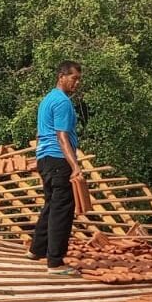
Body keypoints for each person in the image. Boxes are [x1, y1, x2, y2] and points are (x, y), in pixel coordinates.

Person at [28, 61, 92, 275]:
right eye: (74, 78)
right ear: (61, 76)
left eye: (79, 79)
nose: (77, 83)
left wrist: (38, 160)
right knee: (62, 209)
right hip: (58, 158)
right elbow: (62, 136)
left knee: (51, 204)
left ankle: (37, 249)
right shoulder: (63, 103)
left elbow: (39, 135)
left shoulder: (47, 100)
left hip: (45, 158)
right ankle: (55, 262)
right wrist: (75, 165)